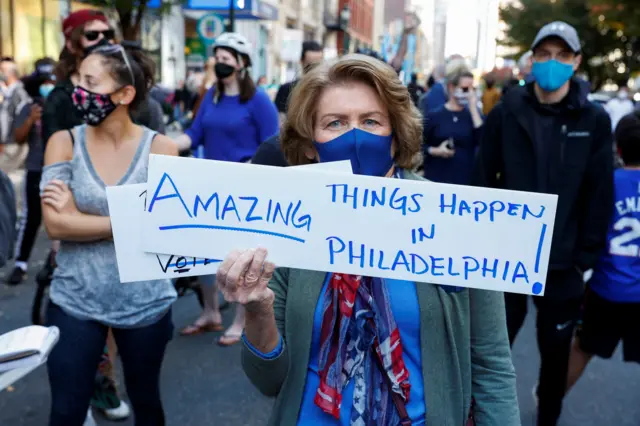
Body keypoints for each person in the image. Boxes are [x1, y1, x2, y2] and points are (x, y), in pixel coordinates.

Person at [218, 54, 520, 426]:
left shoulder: (454, 220)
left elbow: (491, 365)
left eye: (371, 121)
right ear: (311, 143)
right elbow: (268, 380)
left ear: (396, 135)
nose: (355, 136)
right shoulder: (286, 223)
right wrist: (258, 310)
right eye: (335, 123)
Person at [473, 21, 614, 426]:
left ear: (576, 62)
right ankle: (475, 415)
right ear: (532, 59)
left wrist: (583, 259)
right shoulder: (505, 112)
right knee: (489, 350)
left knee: (554, 357)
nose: (552, 63)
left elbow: (598, 193)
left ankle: (547, 417)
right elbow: (484, 179)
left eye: (562, 55)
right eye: (545, 54)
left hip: (562, 265)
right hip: (506, 260)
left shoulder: (594, 120)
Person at [41, 43, 177, 426]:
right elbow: (55, 225)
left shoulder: (161, 149)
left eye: (89, 81)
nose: (77, 89)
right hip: (75, 299)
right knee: (66, 411)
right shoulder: (63, 142)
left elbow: (163, 228)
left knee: (147, 405)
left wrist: (79, 216)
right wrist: (132, 220)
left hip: (146, 302)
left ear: (124, 94)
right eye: (77, 79)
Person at [41, 10, 131, 424]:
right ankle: (87, 384)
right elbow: (55, 188)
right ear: (73, 39)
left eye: (106, 34)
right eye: (92, 34)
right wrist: (67, 222)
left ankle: (102, 380)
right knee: (80, 318)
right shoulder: (62, 97)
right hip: (75, 226)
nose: (101, 39)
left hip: (116, 232)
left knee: (114, 323)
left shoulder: (127, 87)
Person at [174, 32, 279, 346]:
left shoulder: (258, 100)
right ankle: (210, 312)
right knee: (203, 253)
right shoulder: (211, 96)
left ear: (241, 63)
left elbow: (273, 142)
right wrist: (166, 145)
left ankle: (240, 320)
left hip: (244, 187)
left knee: (238, 255)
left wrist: (251, 165)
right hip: (209, 184)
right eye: (216, 58)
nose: (218, 64)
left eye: (225, 59)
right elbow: (194, 133)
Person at [565, 111, 640, 394]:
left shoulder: (607, 182)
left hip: (606, 289)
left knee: (582, 350)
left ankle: (549, 399)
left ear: (618, 148)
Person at [5, 59, 54, 285]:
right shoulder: (30, 106)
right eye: (44, 81)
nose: (48, 85)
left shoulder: (64, 103)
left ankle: (57, 262)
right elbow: (18, 137)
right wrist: (32, 120)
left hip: (61, 168)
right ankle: (20, 263)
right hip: (36, 168)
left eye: (51, 80)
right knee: (30, 218)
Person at [423, 61, 483, 185]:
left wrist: (473, 109)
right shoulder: (435, 115)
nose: (470, 93)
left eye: (473, 89)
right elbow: (418, 145)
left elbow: (483, 141)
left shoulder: (474, 116)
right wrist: (434, 150)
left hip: (464, 181)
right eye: (466, 88)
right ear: (451, 87)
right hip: (436, 179)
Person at [274, 40, 323, 119]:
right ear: (301, 61)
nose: (314, 69)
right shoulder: (286, 89)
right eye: (310, 65)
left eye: (318, 65)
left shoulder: (327, 89)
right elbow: (281, 121)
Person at [0, 57, 31, 148]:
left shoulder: (19, 93)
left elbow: (21, 120)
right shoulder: (5, 92)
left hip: (13, 146)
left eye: (2, 70)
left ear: (11, 73)